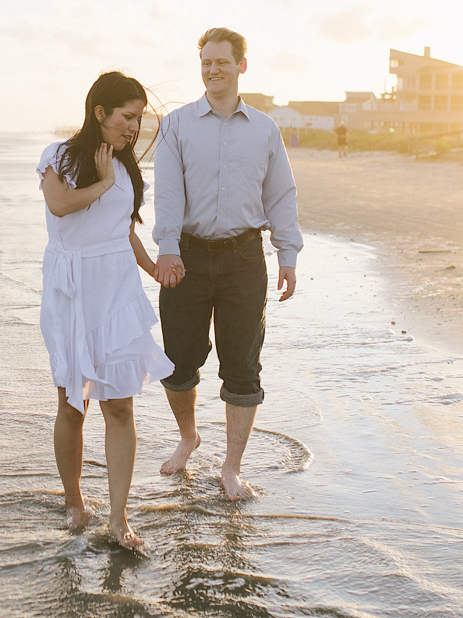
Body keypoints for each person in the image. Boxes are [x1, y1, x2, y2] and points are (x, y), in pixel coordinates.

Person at [151, 27, 303, 500]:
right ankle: (188, 438)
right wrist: (168, 247)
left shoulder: (265, 129)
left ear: (241, 65)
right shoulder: (176, 125)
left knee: (242, 366)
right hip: (187, 258)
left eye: (221, 61)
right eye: (205, 62)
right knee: (178, 363)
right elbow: (168, 192)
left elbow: (281, 194)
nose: (212, 70)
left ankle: (231, 467)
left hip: (243, 259)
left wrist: (287, 253)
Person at [38, 71, 174, 550]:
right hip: (72, 292)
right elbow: (59, 205)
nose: (134, 128)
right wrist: (104, 180)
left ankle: (118, 518)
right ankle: (74, 502)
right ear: (101, 113)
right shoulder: (59, 157)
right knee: (72, 404)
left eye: (139, 119)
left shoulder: (126, 166)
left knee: (120, 404)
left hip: (116, 289)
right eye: (127, 117)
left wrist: (152, 267)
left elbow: (124, 228)